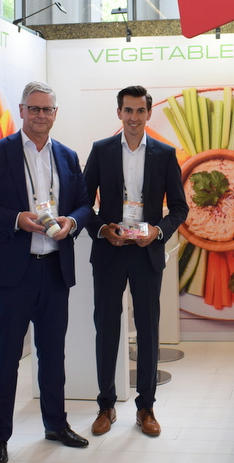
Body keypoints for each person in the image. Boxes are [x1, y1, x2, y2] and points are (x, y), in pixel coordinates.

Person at [0, 81, 93, 463]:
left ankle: (56, 424)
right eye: (34, 108)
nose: (40, 115)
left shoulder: (67, 156)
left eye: (47, 109)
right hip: (12, 275)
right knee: (5, 359)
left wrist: (72, 221)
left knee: (53, 355)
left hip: (53, 270)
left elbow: (85, 204)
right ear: (22, 111)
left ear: (55, 114)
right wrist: (16, 219)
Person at [83, 85, 188, 437]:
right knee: (106, 329)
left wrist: (158, 232)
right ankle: (106, 405)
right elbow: (83, 202)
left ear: (148, 113)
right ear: (119, 113)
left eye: (140, 111)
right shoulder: (101, 150)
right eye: (127, 111)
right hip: (110, 253)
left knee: (147, 330)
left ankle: (146, 408)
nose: (133, 117)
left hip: (146, 253)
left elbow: (179, 208)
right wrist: (102, 229)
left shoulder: (164, 154)